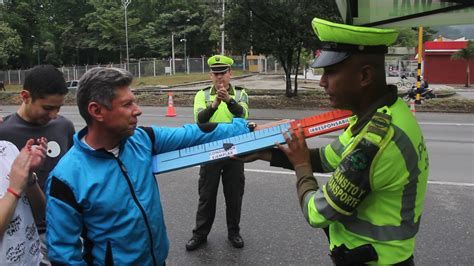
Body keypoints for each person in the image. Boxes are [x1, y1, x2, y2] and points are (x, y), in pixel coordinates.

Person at [237, 18, 429, 265]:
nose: (322, 82)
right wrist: (266, 154)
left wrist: (300, 166)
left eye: (331, 72)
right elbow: (328, 158)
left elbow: (318, 212)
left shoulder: (377, 141)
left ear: (365, 76)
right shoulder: (387, 112)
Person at [45, 67, 259, 265]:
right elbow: (64, 255)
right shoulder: (65, 178)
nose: (138, 110)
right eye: (127, 104)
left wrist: (248, 128)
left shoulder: (142, 139)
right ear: (97, 111)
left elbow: (194, 134)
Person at [0, 64, 75, 265]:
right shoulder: (4, 134)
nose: (53, 115)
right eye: (47, 108)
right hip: (25, 233)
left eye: (59, 107)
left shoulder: (64, 126)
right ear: (25, 96)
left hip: (65, 225)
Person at [186, 55, 250, 251]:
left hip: (234, 150)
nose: (219, 77)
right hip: (210, 149)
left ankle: (234, 232)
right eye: (216, 73)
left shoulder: (240, 94)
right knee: (206, 195)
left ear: (230, 74)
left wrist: (229, 100)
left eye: (223, 73)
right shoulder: (202, 95)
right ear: (210, 75)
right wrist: (214, 104)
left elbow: (243, 115)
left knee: (234, 195)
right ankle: (200, 234)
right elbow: (200, 120)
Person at [1, 138, 47, 265]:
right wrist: (14, 190)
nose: (1, 120)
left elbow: (39, 215)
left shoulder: (8, 148)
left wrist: (29, 177)